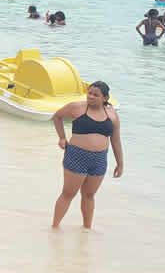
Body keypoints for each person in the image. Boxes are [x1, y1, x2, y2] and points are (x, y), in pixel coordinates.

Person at [51, 82, 122, 229]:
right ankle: (55, 227)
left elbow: (115, 140)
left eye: (96, 95)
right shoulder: (77, 108)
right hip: (77, 156)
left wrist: (120, 163)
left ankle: (87, 229)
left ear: (105, 98)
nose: (91, 96)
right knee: (68, 194)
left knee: (89, 195)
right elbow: (57, 117)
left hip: (99, 159)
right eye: (89, 93)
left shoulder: (112, 114)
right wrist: (62, 138)